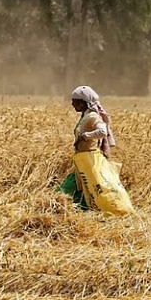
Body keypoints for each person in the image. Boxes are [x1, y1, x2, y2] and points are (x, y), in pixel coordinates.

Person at [59, 86, 134, 216]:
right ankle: (77, 206)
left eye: (75, 101)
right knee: (82, 183)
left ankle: (112, 208)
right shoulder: (86, 116)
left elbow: (103, 131)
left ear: (83, 102)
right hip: (83, 159)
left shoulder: (92, 116)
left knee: (92, 183)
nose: (72, 104)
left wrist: (86, 136)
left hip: (90, 159)